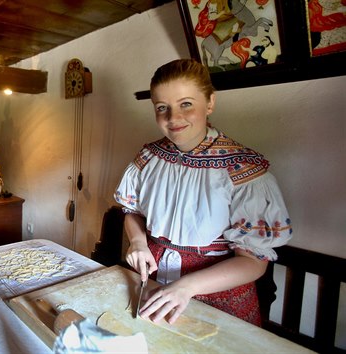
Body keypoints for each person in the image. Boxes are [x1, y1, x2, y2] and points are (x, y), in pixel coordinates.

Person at [114, 59, 292, 326]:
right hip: (149, 282)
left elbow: (254, 261)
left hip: (218, 297)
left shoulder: (242, 169)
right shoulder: (149, 158)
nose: (173, 118)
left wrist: (186, 287)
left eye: (186, 103)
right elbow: (132, 213)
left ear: (209, 102)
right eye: (162, 107)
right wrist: (138, 242)